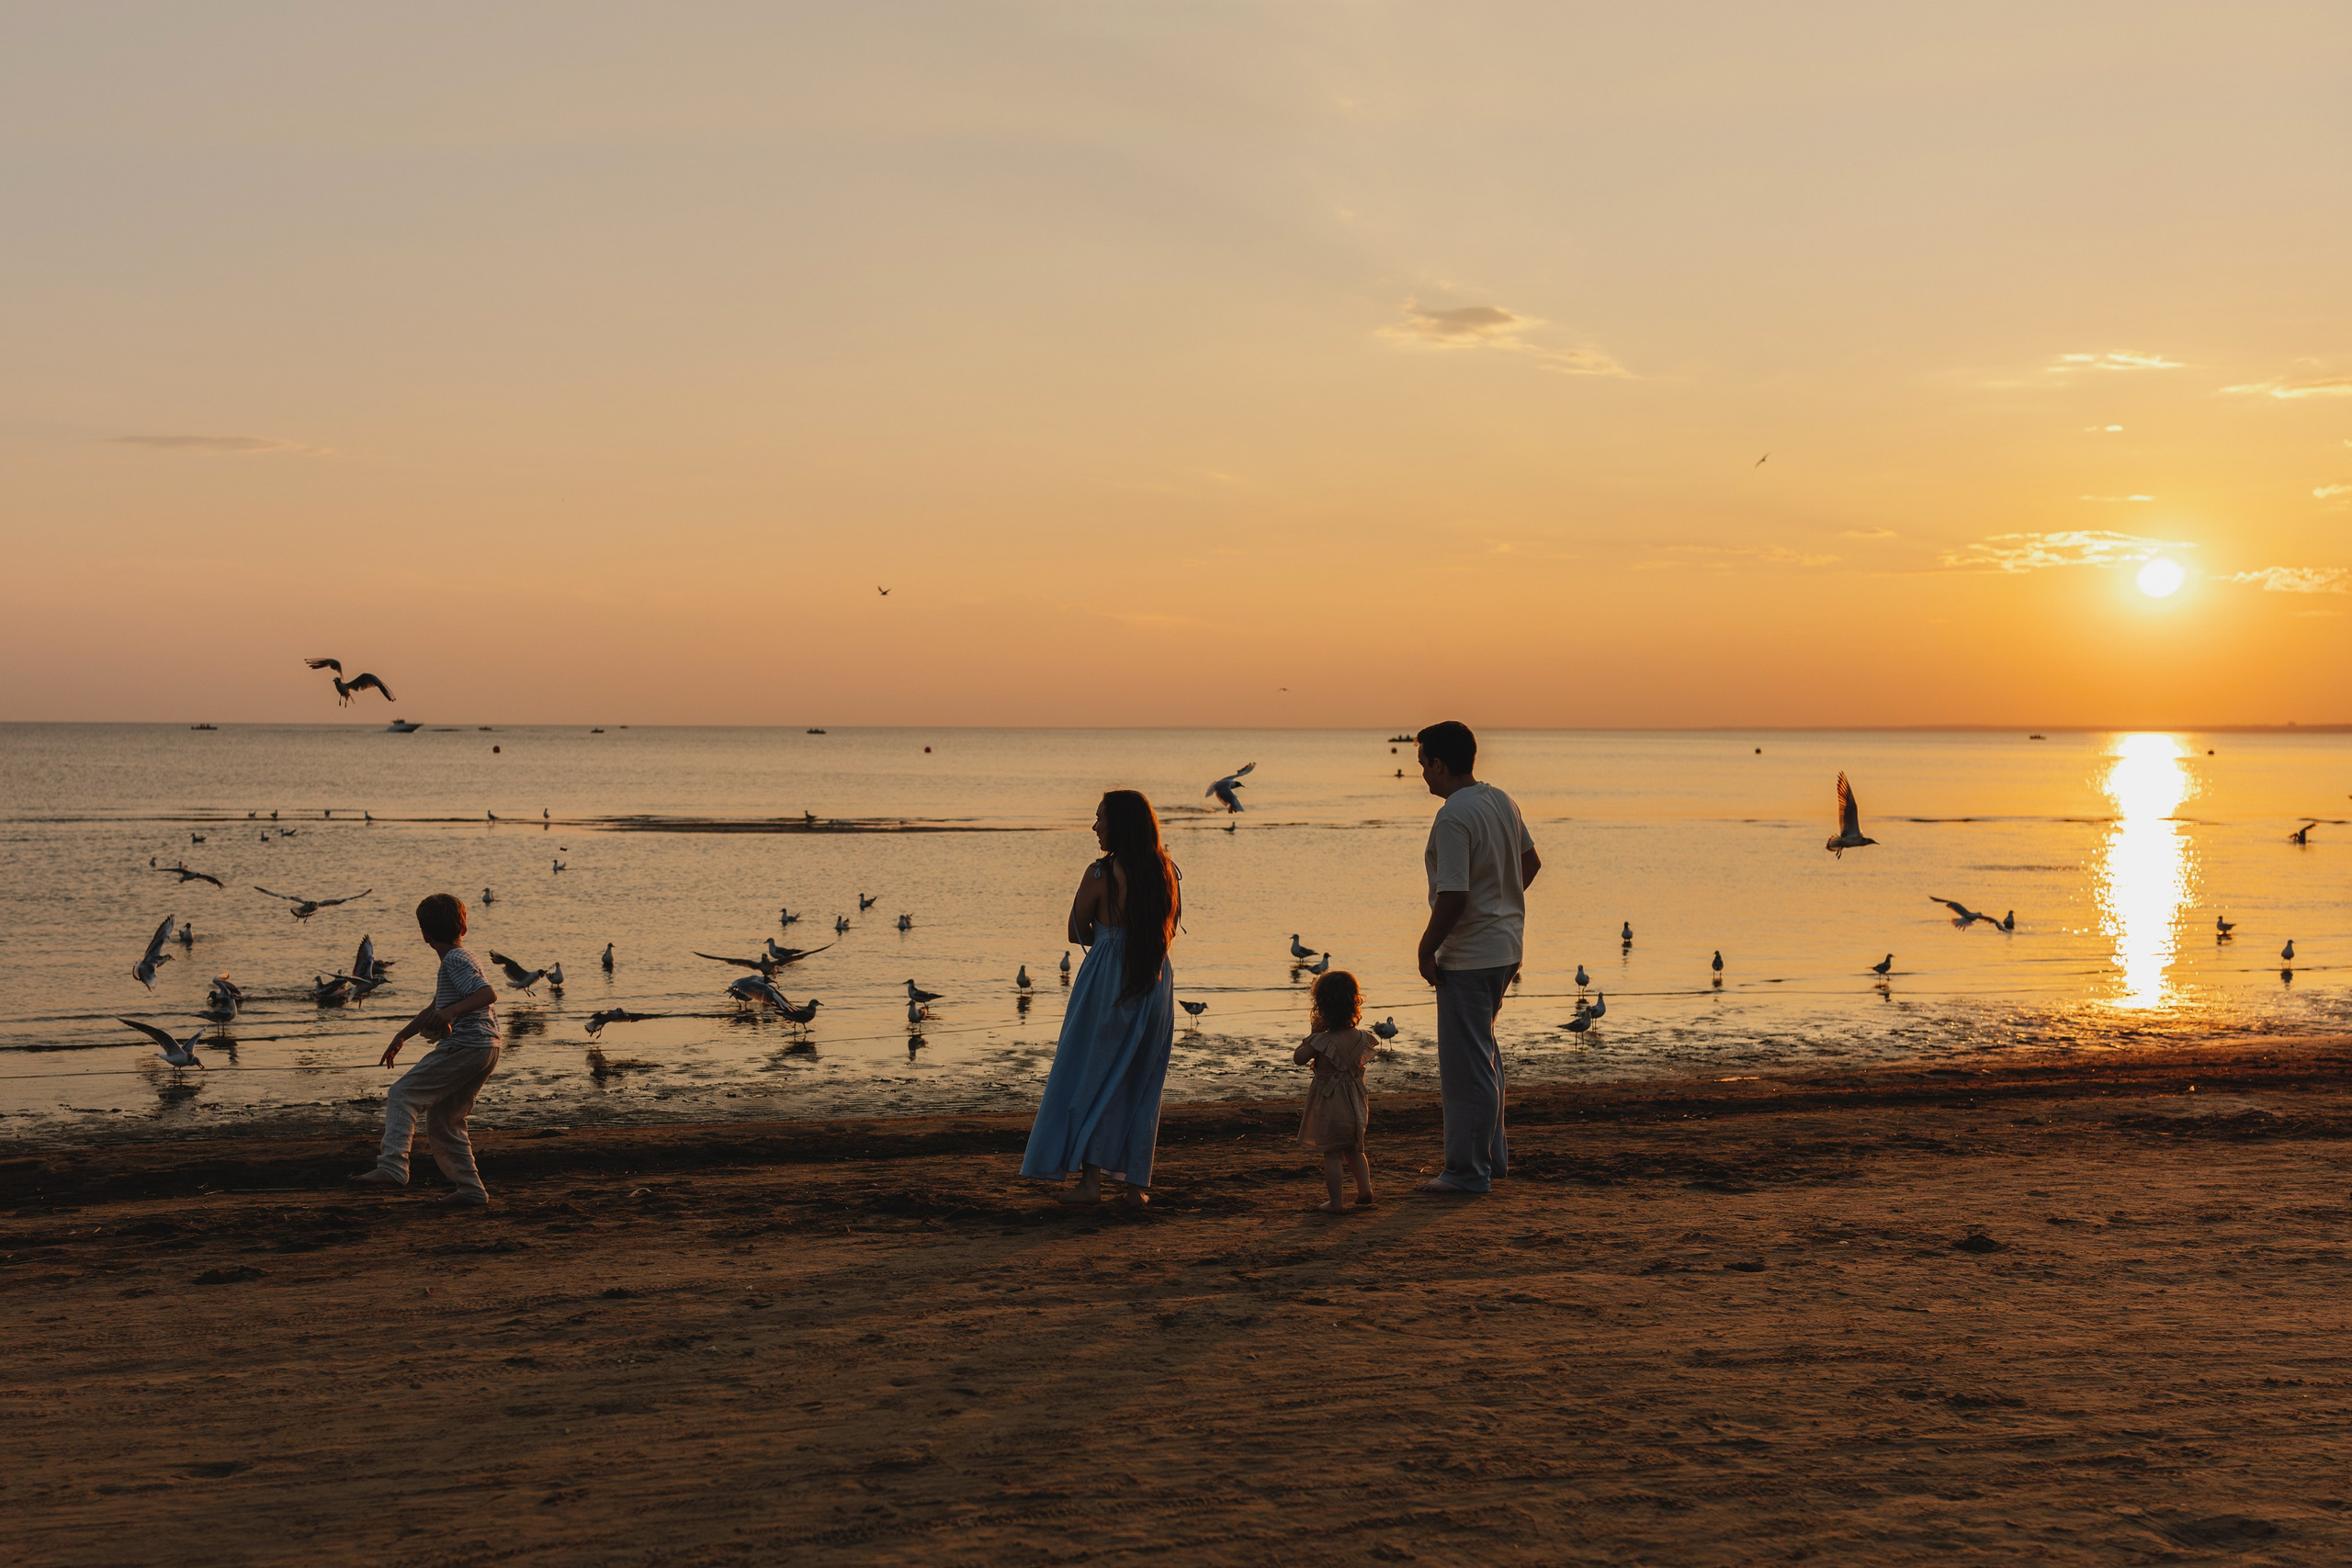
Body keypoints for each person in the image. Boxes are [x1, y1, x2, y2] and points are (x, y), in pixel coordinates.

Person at [1021, 789, 1180, 1206]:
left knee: (1092, 1073)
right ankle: (1134, 1188)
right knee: (1141, 1078)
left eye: (1100, 819)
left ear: (1120, 825)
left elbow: (1076, 931)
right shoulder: (1166, 872)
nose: (1094, 827)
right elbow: (1168, 926)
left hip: (1108, 977)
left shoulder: (1100, 874)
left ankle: (1090, 1183)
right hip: (1155, 978)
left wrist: (1107, 932)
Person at [1413, 720, 1539, 1195]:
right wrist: (1500, 903)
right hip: (1505, 947)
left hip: (1470, 955)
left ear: (1440, 764)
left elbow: (1453, 895)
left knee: (1466, 1066)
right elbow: (1530, 864)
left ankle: (1467, 1172)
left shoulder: (1453, 816)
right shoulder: (1500, 799)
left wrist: (1426, 948)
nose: (1422, 774)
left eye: (1424, 764)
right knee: (1484, 1053)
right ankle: (1492, 1159)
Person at [349, 893, 502, 1206]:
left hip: (466, 1045)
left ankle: (392, 1167)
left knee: (403, 1094)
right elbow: (436, 1006)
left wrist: (450, 1014)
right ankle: (471, 1191)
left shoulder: (455, 960)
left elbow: (487, 994)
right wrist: (402, 1035)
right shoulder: (463, 958)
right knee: (445, 1121)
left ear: (425, 936)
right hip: (486, 1047)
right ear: (464, 930)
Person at [1295, 969, 1377, 1213]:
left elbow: (1299, 1058)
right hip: (1356, 1103)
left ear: (1321, 1006)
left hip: (1331, 1104)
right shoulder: (1363, 1038)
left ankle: (1336, 1203)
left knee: (1332, 1154)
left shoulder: (1321, 1040)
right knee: (1354, 1149)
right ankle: (1365, 1190)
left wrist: (1312, 1036)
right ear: (1355, 1003)